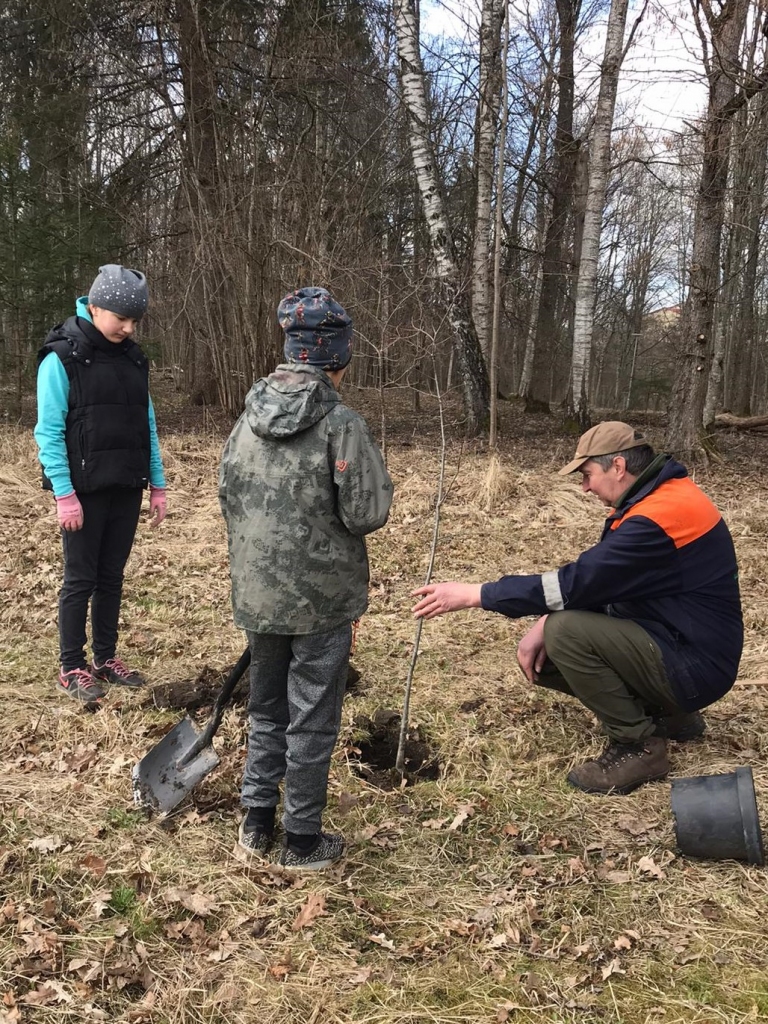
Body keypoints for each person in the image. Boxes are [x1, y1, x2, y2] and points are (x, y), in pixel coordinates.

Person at [412, 421, 743, 795]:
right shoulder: (658, 498)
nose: (585, 487)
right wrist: (549, 615)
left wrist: (476, 594)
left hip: (694, 664)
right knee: (551, 646)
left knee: (565, 634)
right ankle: (669, 715)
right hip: (681, 643)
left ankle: (638, 746)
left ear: (618, 467)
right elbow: (609, 582)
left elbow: (579, 582)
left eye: (587, 474)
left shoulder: (657, 518)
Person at [219, 286, 393, 870]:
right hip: (320, 601)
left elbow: (228, 497)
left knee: (266, 709)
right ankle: (300, 841)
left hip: (259, 597)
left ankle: (254, 822)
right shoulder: (340, 424)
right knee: (313, 717)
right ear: (338, 358)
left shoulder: (245, 420)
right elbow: (366, 513)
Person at [35, 264, 167, 704]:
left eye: (135, 322)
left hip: (126, 485)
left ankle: (105, 659)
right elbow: (48, 432)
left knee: (111, 577)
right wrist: (63, 493)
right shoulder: (62, 358)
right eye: (120, 319)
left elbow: (146, 424)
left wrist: (158, 484)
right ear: (94, 307)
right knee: (80, 579)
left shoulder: (133, 358)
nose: (128, 329)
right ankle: (71, 665)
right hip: (83, 491)